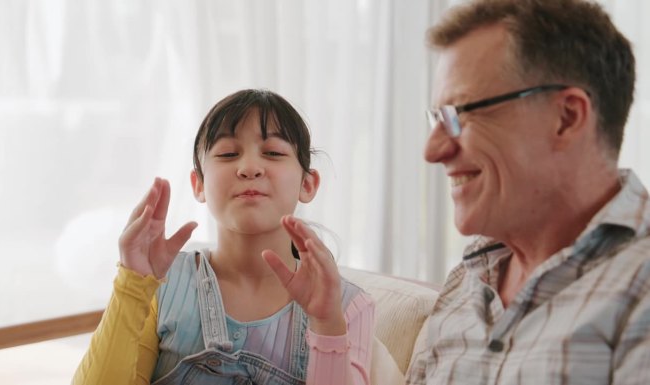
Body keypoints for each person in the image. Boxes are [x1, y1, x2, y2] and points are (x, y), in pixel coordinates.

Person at [406, 0, 650, 384]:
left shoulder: (640, 285)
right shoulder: (464, 283)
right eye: (438, 118)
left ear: (566, 118)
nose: (432, 150)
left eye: (461, 115)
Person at [72, 89, 374, 385]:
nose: (250, 168)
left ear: (308, 184)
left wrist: (327, 324)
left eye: (273, 153)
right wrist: (133, 285)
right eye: (228, 154)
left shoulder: (348, 305)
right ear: (198, 184)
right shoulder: (160, 285)